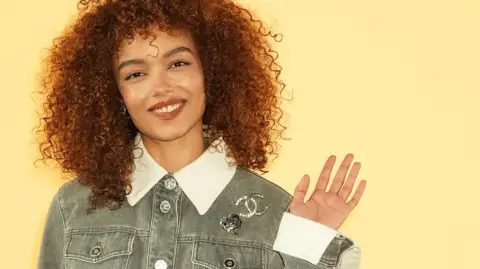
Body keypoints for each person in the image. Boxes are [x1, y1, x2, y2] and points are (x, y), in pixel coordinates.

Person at [36, 0, 367, 268]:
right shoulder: (74, 205)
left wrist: (307, 243)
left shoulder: (274, 212)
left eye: (178, 63)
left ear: (212, 73)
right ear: (113, 94)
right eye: (136, 73)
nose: (162, 87)